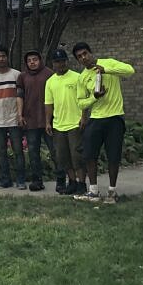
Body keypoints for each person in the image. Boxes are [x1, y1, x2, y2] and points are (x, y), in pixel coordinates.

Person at [72, 42, 135, 204]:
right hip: (96, 118)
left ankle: (112, 192)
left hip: (115, 117)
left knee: (113, 155)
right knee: (89, 154)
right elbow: (80, 103)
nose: (83, 58)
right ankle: (93, 191)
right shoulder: (82, 77)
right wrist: (94, 97)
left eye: (85, 53)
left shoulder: (108, 63)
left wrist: (106, 70)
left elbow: (130, 71)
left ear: (91, 53)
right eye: (79, 57)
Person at [18, 49, 63, 192]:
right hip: (31, 121)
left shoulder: (50, 74)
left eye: (35, 59)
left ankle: (61, 180)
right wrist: (20, 115)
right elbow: (20, 96)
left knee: (55, 151)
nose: (32, 62)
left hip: (49, 121)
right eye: (29, 60)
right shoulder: (22, 76)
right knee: (33, 153)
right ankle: (37, 181)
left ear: (40, 60)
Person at [45, 49, 89, 196]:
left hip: (75, 124)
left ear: (66, 61)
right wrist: (47, 122)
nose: (60, 64)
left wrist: (83, 117)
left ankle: (82, 184)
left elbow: (84, 100)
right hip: (58, 125)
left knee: (77, 156)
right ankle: (72, 182)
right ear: (53, 64)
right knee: (63, 157)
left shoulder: (77, 77)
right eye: (57, 62)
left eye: (63, 61)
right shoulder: (50, 82)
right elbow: (48, 104)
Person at [0, 45, 25, 189]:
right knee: (1, 152)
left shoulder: (17, 75)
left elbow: (21, 96)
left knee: (18, 151)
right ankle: (5, 180)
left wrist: (20, 115)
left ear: (7, 57)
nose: (1, 59)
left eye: (3, 56)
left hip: (14, 119)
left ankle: (20, 180)